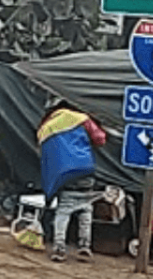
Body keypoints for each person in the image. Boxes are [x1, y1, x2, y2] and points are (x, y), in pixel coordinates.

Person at [36, 97, 106, 263]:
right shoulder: (82, 120)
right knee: (85, 209)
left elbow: (43, 150)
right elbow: (100, 139)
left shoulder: (47, 126)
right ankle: (84, 246)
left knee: (63, 211)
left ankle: (59, 247)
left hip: (62, 173)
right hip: (84, 169)